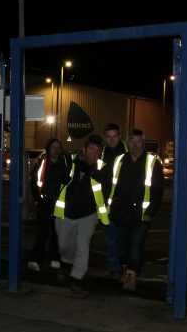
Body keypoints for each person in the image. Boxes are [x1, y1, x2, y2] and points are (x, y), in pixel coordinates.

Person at [107, 128, 164, 291]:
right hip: (121, 213)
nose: (135, 145)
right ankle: (126, 269)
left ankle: (131, 275)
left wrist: (150, 213)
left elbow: (157, 191)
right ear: (127, 142)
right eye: (132, 141)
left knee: (136, 245)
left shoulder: (153, 162)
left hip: (141, 215)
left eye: (139, 141)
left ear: (143, 143)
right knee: (123, 246)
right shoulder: (119, 161)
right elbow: (110, 185)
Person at [54, 134, 109, 297]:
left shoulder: (102, 167)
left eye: (98, 150)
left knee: (82, 246)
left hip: (88, 214)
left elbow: (105, 188)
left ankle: (77, 279)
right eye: (91, 149)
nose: (95, 153)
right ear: (84, 149)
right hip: (66, 213)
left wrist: (93, 173)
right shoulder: (68, 161)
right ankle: (66, 262)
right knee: (64, 245)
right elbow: (54, 180)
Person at [27, 138, 69, 272]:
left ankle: (55, 258)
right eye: (53, 147)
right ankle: (36, 260)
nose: (56, 150)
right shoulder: (41, 164)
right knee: (42, 232)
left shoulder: (65, 164)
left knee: (57, 233)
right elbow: (34, 182)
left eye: (58, 147)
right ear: (48, 149)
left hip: (59, 205)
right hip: (44, 204)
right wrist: (38, 198)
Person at [100, 123, 128, 279]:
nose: (111, 140)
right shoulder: (101, 152)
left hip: (124, 204)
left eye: (114, 136)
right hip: (106, 204)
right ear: (105, 137)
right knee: (110, 239)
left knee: (124, 239)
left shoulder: (128, 150)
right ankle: (114, 268)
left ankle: (126, 269)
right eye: (108, 137)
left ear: (120, 136)